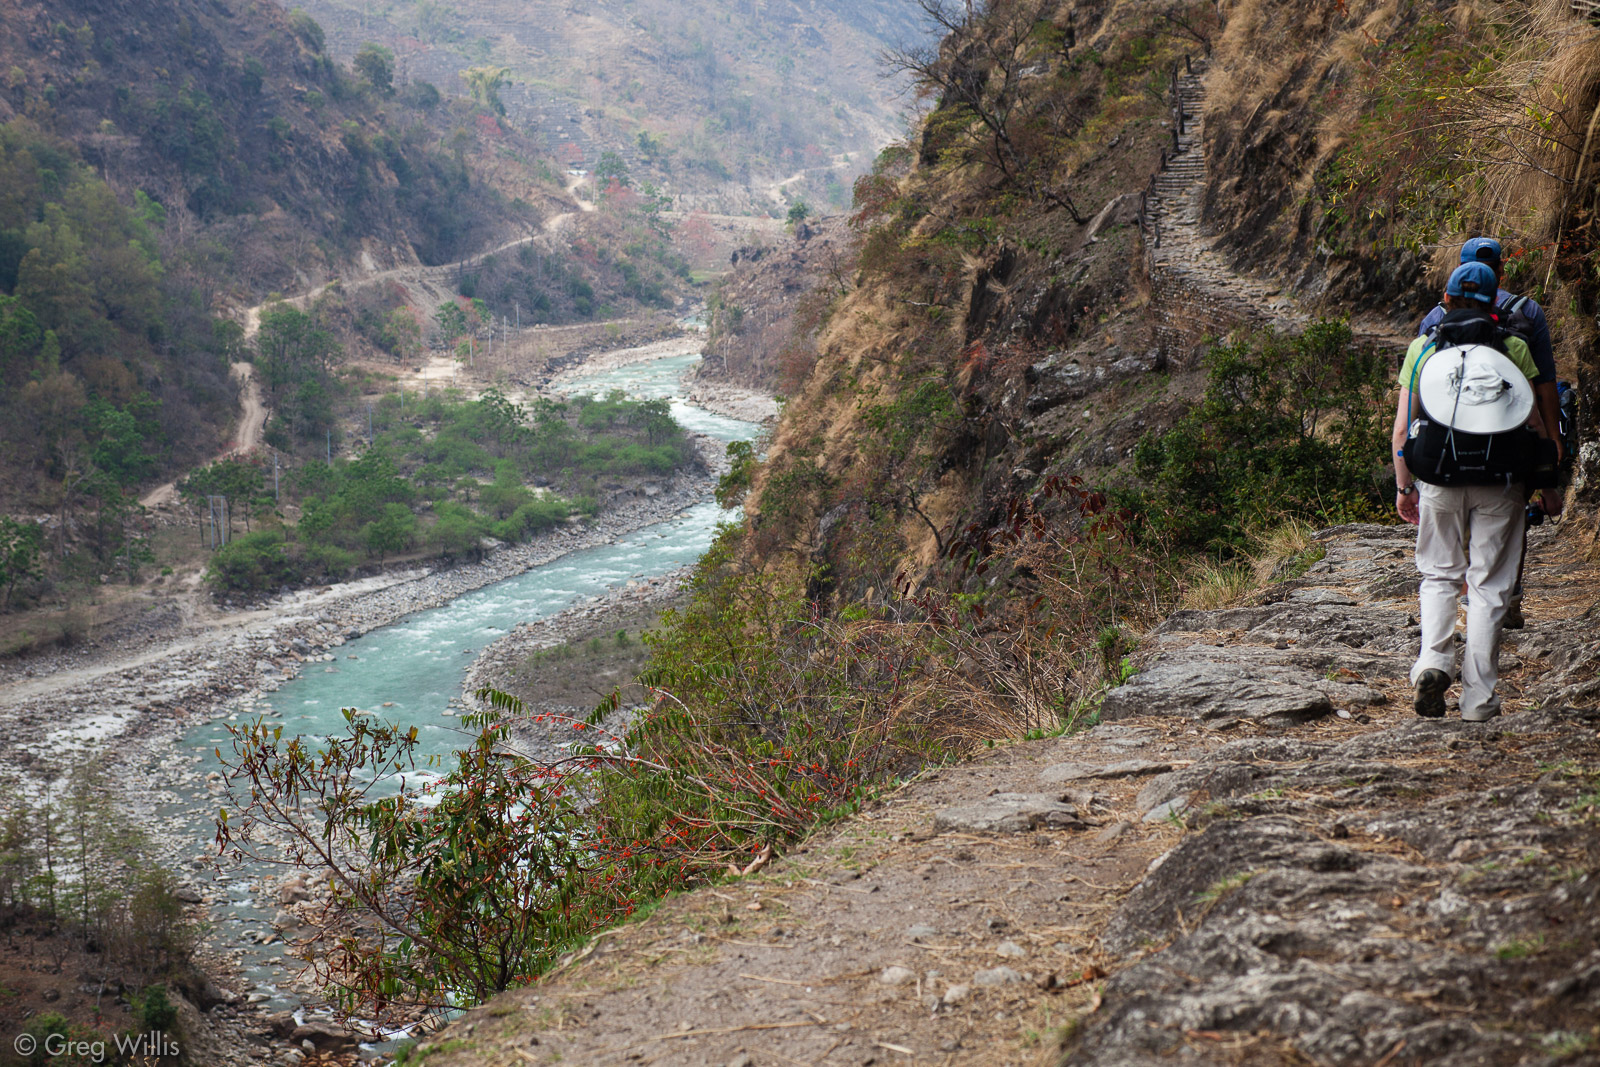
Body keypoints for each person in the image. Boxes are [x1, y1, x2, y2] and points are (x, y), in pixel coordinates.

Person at [1394, 262, 1562, 721]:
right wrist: (1546, 485)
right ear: (1494, 305)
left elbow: (1404, 428)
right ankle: (1478, 700)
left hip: (1440, 480)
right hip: (1501, 483)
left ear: (1445, 301)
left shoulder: (1423, 348)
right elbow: (1533, 423)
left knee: (1439, 575)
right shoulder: (1513, 347)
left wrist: (1405, 485)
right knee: (1489, 588)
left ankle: (1433, 662)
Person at [1419, 237, 1560, 628]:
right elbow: (1545, 383)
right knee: (1510, 512)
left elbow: (1421, 390)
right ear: (1500, 272)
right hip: (1510, 440)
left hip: (1448, 442)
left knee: (1457, 522)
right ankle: (1505, 598)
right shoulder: (1526, 312)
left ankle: (1461, 612)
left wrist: (1411, 454)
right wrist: (1552, 439)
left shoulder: (1434, 320)